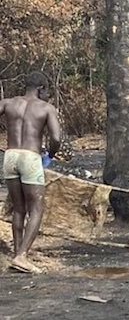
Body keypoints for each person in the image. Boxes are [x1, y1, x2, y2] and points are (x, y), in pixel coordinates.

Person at [1, 71, 61, 273]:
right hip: (30, 156)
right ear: (41, 88)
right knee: (36, 208)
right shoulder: (46, 108)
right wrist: (50, 156)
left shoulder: (8, 103)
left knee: (19, 208)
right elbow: (56, 138)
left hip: (10, 156)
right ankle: (22, 256)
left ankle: (17, 254)